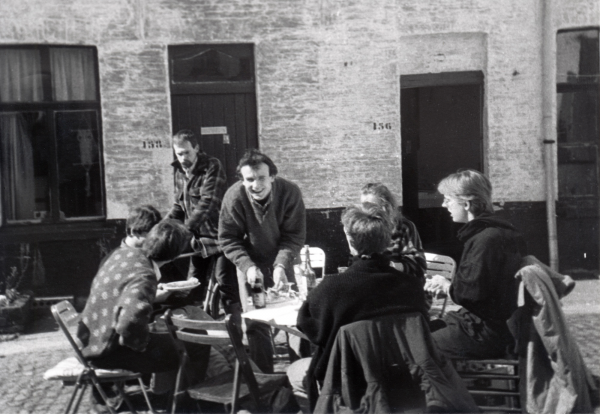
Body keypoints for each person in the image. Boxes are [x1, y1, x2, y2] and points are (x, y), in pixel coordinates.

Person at [288, 206, 429, 409]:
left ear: (350, 241)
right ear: (387, 241)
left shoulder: (331, 289)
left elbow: (312, 330)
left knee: (294, 372)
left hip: (348, 382)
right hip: (401, 380)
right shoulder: (412, 286)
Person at [77, 218, 210, 411]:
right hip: (106, 351)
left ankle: (167, 397)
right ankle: (185, 404)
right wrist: (147, 340)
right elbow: (128, 324)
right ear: (175, 255)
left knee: (174, 338)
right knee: (196, 342)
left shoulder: (123, 254)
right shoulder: (145, 275)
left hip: (91, 339)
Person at [219, 148, 306, 373]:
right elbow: (228, 238)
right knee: (256, 323)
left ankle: (301, 378)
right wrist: (247, 266)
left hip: (284, 260)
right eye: (249, 179)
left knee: (297, 320)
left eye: (261, 178)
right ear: (242, 180)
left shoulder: (290, 192)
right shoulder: (234, 196)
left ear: (273, 177)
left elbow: (294, 235)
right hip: (249, 264)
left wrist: (280, 266)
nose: (256, 185)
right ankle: (267, 385)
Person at [425, 169, 527, 359]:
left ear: (466, 203)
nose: (444, 205)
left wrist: (447, 286)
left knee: (415, 346)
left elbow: (471, 294)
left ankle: (447, 389)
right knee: (422, 331)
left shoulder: (485, 240)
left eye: (447, 200)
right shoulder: (496, 232)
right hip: (491, 325)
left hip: (486, 332)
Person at [166, 129, 232, 307]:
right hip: (199, 239)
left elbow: (208, 203)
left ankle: (234, 323)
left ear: (196, 148)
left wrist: (185, 231)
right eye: (179, 154)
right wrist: (163, 228)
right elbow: (179, 206)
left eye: (187, 152)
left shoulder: (212, 166)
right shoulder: (180, 172)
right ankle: (195, 327)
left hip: (221, 236)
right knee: (192, 284)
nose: (183, 157)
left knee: (224, 281)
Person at [360, 182, 427, 279]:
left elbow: (418, 266)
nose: (366, 211)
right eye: (364, 206)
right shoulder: (363, 227)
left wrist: (389, 265)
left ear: (386, 207)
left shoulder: (403, 227)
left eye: (371, 207)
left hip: (397, 283)